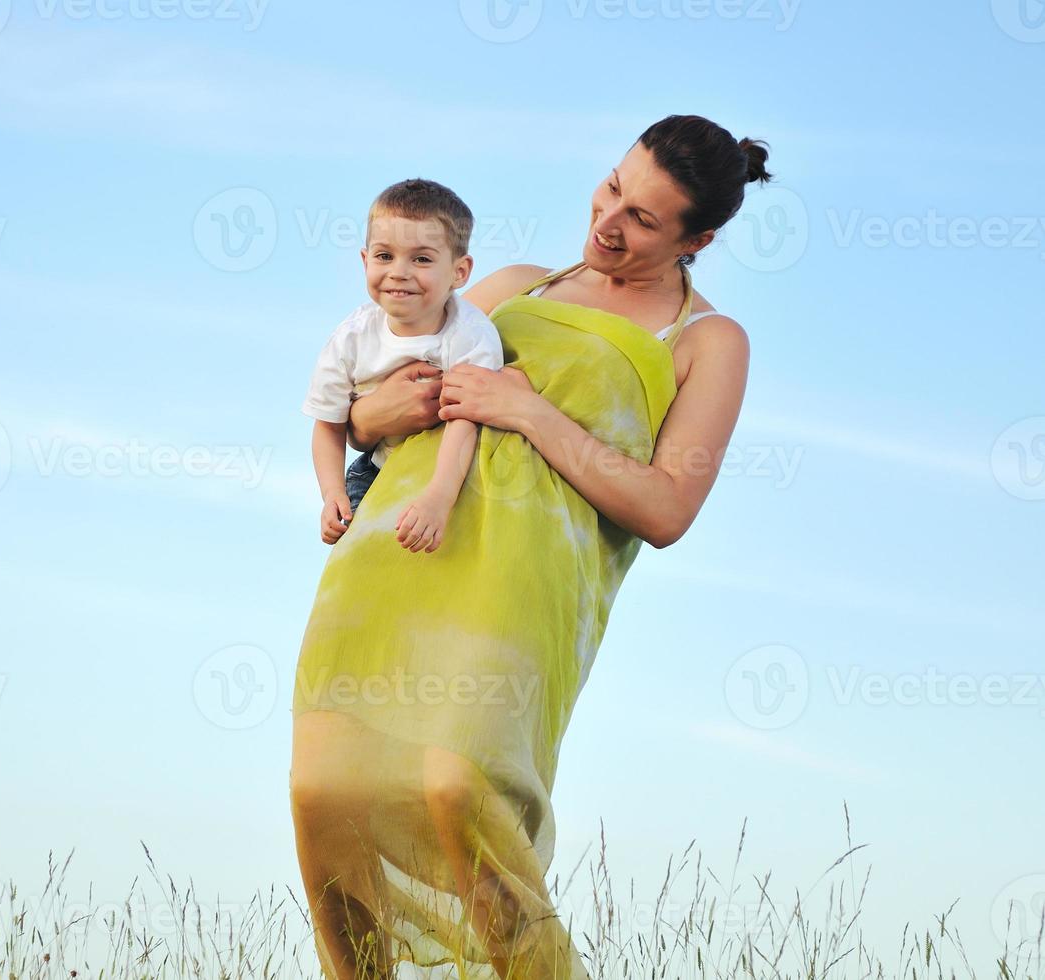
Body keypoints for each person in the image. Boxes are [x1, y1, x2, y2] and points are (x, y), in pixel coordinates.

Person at [290, 114, 767, 979]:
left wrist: (530, 412)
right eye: (614, 186)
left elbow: (665, 509)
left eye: (646, 220)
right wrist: (385, 413)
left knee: (456, 787)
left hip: (522, 589)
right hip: (394, 547)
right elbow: (362, 414)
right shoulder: (510, 287)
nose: (609, 222)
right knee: (327, 791)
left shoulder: (706, 342)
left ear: (696, 239)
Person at [301, 178, 504, 553]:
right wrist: (332, 494)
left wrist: (439, 499)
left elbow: (465, 421)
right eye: (384, 256)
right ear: (365, 261)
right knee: (359, 560)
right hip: (378, 469)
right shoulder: (351, 338)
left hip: (453, 471)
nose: (399, 271)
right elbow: (328, 423)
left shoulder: (470, 335)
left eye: (422, 259)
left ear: (460, 272)